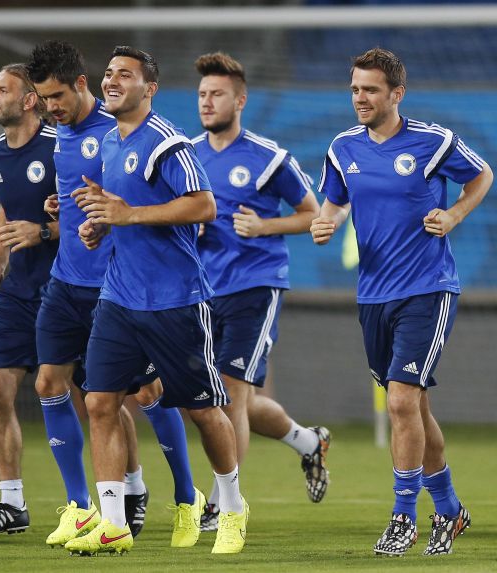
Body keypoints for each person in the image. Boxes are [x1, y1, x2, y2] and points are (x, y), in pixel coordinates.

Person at [64, 46, 249, 556]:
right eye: (108, 73)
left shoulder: (167, 143)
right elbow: (118, 212)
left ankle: (231, 505)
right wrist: (99, 225)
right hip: (119, 298)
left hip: (175, 300)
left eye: (125, 74)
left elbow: (204, 206)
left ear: (150, 89)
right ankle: (113, 521)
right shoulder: (106, 141)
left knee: (204, 409)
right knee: (100, 401)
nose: (111, 80)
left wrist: (128, 215)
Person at [311, 47, 491, 556]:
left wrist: (453, 215)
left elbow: (482, 176)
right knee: (413, 406)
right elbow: (335, 201)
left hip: (427, 289)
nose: (360, 98)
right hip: (373, 295)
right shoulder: (343, 147)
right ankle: (451, 510)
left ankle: (403, 516)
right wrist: (327, 222)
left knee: (400, 401)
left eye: (370, 90)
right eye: (354, 89)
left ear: (396, 94)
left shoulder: (433, 141)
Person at [27, 40, 197, 548]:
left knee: (144, 394)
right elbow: (87, 200)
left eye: (56, 96)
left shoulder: (120, 130)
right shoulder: (58, 132)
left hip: (116, 286)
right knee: (52, 385)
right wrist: (64, 213)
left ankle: (188, 497)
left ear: (81, 85)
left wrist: (116, 219)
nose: (50, 108)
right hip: (65, 280)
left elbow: (143, 201)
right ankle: (83, 509)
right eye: (43, 99)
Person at [190, 52, 331, 531]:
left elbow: (316, 214)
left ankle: (220, 503)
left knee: (231, 396)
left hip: (256, 285)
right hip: (202, 291)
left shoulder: (269, 157)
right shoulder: (186, 155)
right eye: (203, 95)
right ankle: (307, 442)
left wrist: (264, 225)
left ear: (241, 99)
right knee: (225, 402)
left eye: (218, 94)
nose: (208, 102)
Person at [0, 64, 59, 538]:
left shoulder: (63, 148)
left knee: (97, 400)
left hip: (67, 289)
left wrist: (44, 231)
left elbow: (95, 221)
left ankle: (124, 491)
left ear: (28, 100)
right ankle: (12, 504)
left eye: (3, 89)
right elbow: (7, 208)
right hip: (18, 290)